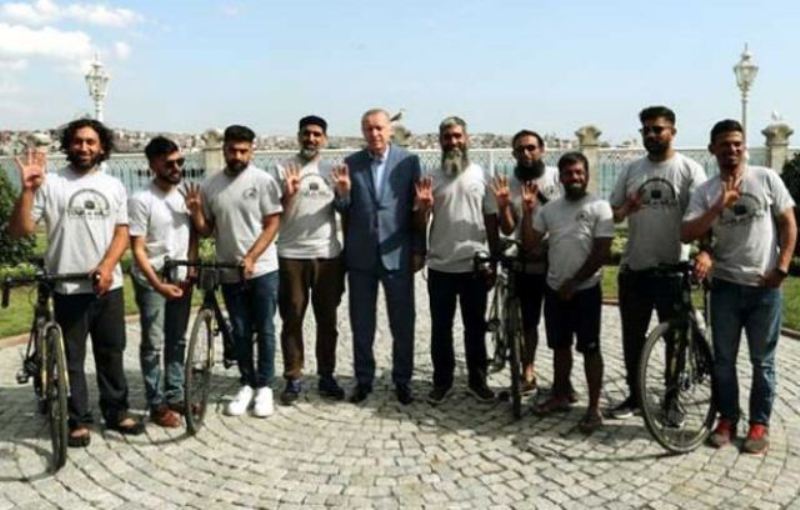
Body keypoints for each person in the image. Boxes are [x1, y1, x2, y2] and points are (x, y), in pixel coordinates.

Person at [9, 118, 143, 446]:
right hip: (67, 287)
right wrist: (27, 190)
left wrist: (108, 266)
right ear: (68, 145)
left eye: (91, 142)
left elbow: (122, 231)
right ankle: (77, 418)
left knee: (111, 352)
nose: (84, 147)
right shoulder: (51, 183)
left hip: (107, 285)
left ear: (102, 147)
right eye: (78, 141)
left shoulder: (113, 185)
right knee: (71, 359)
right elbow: (21, 230)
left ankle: (116, 411)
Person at [682, 119, 796, 454]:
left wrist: (782, 267)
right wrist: (719, 205)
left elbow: (789, 224)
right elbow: (687, 233)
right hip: (726, 288)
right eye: (724, 144)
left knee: (763, 361)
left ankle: (759, 423)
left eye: (737, 143)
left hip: (764, 288)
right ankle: (728, 418)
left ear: (743, 146)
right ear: (712, 149)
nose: (732, 149)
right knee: (723, 360)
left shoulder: (766, 178)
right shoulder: (705, 192)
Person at [609, 106, 708, 418]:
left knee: (675, 340)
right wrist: (626, 208)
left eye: (658, 129)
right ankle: (635, 397)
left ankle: (671, 398)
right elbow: (613, 215)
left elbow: (704, 219)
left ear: (672, 132)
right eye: (646, 130)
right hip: (635, 268)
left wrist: (704, 252)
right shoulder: (631, 170)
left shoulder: (690, 170)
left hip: (673, 271)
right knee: (632, 340)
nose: (651, 134)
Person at [184, 125, 282, 418]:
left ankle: (265, 386)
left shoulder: (263, 181)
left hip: (262, 269)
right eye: (232, 150)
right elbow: (207, 231)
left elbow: (273, 224)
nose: (237, 156)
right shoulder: (210, 185)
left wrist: (252, 257)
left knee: (265, 328)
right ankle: (247, 382)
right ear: (224, 149)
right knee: (239, 330)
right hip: (229, 269)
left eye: (243, 151)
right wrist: (196, 212)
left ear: (252, 151)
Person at [333, 108, 425, 405]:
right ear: (363, 132)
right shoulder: (351, 163)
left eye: (379, 128)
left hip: (397, 254)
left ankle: (402, 380)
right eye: (368, 128)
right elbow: (343, 210)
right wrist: (343, 194)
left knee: (402, 323)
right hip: (361, 256)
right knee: (361, 323)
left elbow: (418, 211)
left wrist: (419, 249)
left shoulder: (409, 162)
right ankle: (363, 379)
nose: (374, 133)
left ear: (390, 130)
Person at [522, 152, 613, 433]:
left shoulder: (600, 207)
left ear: (586, 175)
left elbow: (602, 252)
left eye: (578, 172)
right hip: (554, 288)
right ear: (559, 177)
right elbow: (530, 244)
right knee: (560, 347)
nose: (574, 177)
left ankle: (593, 408)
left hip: (585, 290)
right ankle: (560, 394)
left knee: (590, 349)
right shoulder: (550, 210)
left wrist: (574, 282)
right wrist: (527, 211)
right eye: (568, 173)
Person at [413, 116, 498, 404]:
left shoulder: (481, 175)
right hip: (441, 265)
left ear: (467, 138)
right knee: (441, 328)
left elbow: (491, 218)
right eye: (448, 137)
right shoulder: (431, 178)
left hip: (475, 265)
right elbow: (419, 223)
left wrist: (494, 259)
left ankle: (478, 380)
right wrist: (423, 208)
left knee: (475, 328)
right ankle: (442, 381)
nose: (453, 142)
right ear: (440, 141)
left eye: (458, 136)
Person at [270, 115, 346, 404]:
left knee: (327, 320)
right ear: (298, 136)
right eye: (306, 133)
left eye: (316, 134)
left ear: (324, 139)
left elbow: (344, 209)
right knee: (292, 318)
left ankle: (327, 375)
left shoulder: (332, 170)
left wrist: (344, 193)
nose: (311, 139)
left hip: (327, 255)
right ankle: (293, 376)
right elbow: (273, 212)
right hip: (291, 254)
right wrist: (287, 195)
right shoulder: (282, 168)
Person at [129, 136, 196, 428]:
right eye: (169, 163)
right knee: (153, 344)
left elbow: (194, 235)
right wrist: (157, 284)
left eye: (180, 162)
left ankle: (175, 394)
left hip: (181, 276)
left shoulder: (184, 195)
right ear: (153, 164)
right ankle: (157, 403)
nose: (176, 168)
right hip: (152, 278)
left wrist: (192, 266)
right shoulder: (141, 199)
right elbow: (137, 249)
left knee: (177, 339)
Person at [490, 130, 562, 394]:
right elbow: (508, 229)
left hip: (555, 260)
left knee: (559, 325)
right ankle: (527, 371)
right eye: (520, 149)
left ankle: (562, 382)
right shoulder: (509, 184)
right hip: (526, 261)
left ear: (542, 149)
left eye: (531, 147)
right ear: (513, 154)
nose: (526, 153)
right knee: (528, 322)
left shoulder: (556, 177)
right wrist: (503, 206)